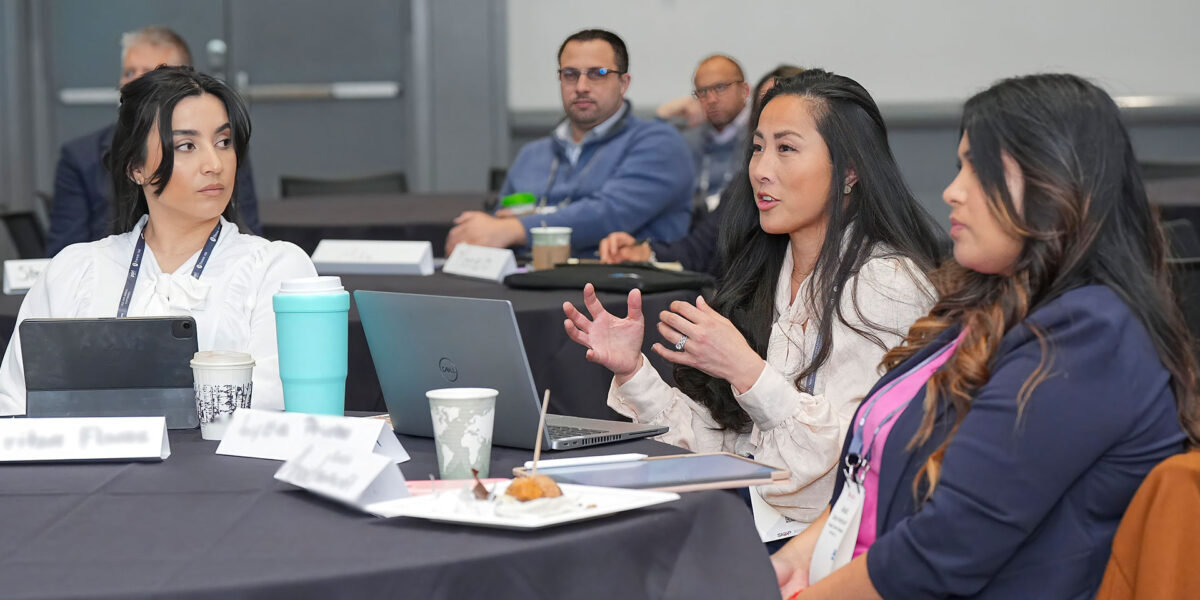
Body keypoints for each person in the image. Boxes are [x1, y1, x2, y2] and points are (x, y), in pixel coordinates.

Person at [769, 74, 1198, 599]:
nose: (953, 190)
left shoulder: (1090, 336)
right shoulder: (987, 304)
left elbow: (948, 546)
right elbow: (871, 476)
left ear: (1054, 182)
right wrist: (794, 561)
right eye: (960, 166)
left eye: (980, 168)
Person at [562, 70, 945, 538]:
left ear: (849, 171)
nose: (761, 168)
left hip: (822, 543)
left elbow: (846, 467)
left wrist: (748, 371)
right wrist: (633, 372)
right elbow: (731, 449)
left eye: (786, 148)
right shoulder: (767, 268)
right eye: (758, 147)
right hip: (753, 517)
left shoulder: (884, 284)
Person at [0, 66, 316, 415]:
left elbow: (281, 403)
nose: (214, 164)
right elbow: (15, 402)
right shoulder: (74, 270)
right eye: (186, 146)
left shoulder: (278, 271)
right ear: (136, 168)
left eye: (223, 142)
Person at [445, 29, 693, 256]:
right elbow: (498, 227)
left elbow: (608, 214)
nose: (581, 87)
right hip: (526, 286)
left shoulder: (660, 143)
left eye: (598, 74)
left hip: (619, 295)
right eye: (570, 75)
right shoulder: (532, 155)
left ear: (623, 83)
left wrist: (516, 228)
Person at [48, 25, 261, 257]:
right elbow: (62, 253)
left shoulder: (259, 261)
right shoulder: (80, 156)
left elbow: (246, 228)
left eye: (151, 74)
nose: (135, 84)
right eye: (129, 73)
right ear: (134, 168)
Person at [600, 65, 805, 273]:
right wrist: (643, 251)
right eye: (759, 147)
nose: (712, 99)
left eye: (786, 147)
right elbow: (699, 249)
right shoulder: (743, 183)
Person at [658, 55, 751, 202]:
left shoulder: (761, 134)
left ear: (745, 90)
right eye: (702, 91)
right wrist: (662, 115)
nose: (711, 99)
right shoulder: (689, 137)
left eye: (720, 87)